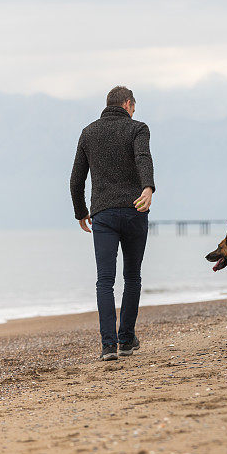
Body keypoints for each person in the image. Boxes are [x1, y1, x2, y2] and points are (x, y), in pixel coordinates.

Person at [70, 86, 155, 361]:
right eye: (133, 108)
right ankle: (126, 340)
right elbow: (143, 158)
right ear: (128, 104)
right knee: (132, 278)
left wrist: (81, 211)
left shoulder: (89, 132)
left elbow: (76, 179)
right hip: (134, 210)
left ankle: (108, 346)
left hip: (103, 215)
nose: (134, 113)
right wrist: (147, 187)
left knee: (104, 281)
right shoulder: (137, 128)